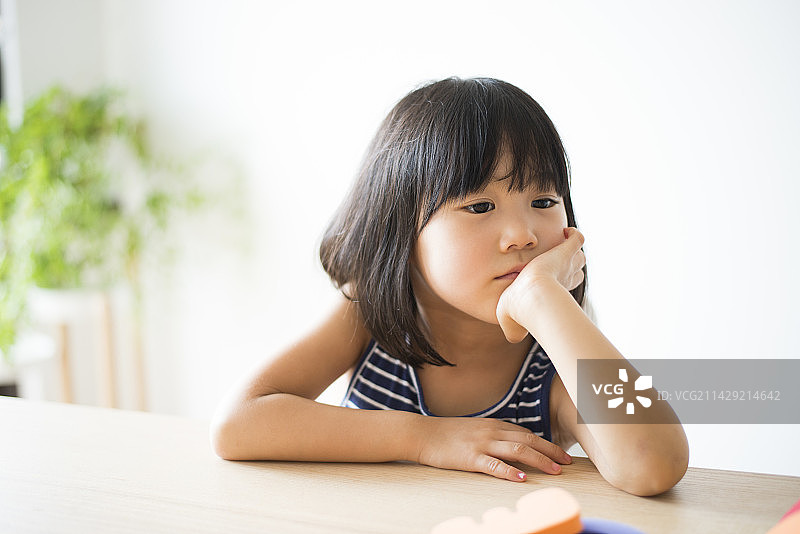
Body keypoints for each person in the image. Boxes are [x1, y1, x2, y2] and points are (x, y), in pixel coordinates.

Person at [211, 77, 689, 496]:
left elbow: (654, 465)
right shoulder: (367, 313)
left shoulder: (551, 362)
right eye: (480, 206)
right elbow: (239, 424)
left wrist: (545, 300)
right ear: (401, 228)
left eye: (543, 200)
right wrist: (424, 438)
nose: (522, 234)